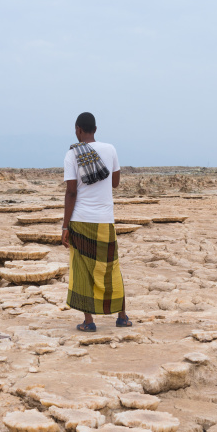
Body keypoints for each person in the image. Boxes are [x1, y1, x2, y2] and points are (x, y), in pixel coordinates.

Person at [62, 112, 131, 332]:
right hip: (105, 220)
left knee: (83, 269)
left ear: (78, 130)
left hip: (81, 220)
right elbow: (116, 183)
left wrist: (65, 226)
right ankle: (121, 317)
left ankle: (89, 322)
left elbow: (71, 193)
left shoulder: (72, 155)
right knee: (110, 268)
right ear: (95, 129)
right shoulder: (110, 150)